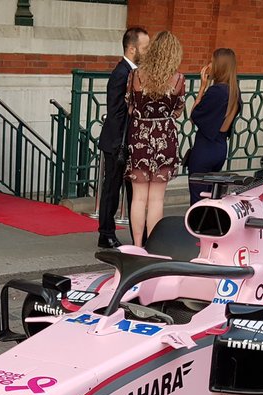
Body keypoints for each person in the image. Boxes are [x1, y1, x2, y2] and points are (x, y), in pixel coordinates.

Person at [125, 30, 184, 246]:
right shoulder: (178, 79)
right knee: (157, 199)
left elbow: (129, 106)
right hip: (165, 137)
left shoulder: (136, 75)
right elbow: (177, 111)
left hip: (140, 136)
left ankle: (138, 245)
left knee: (139, 197)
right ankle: (152, 246)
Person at [97, 27, 150, 249]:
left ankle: (139, 235)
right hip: (117, 142)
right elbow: (116, 111)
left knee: (132, 190)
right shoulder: (121, 73)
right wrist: (124, 143)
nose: (148, 51)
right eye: (145, 47)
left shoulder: (134, 73)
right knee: (113, 188)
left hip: (128, 142)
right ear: (132, 48)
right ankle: (106, 233)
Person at [187, 48, 241, 205]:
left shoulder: (216, 91)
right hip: (220, 148)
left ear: (220, 66)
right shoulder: (234, 91)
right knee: (211, 196)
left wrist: (202, 87)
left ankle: (197, 228)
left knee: (198, 198)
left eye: (212, 61)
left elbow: (194, 116)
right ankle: (208, 227)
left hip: (205, 149)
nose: (209, 64)